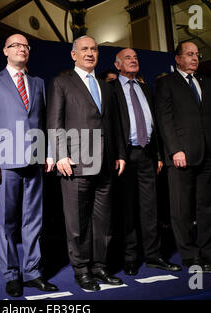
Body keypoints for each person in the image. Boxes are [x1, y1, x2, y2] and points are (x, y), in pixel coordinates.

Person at [47, 35, 126, 291]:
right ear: (74, 54)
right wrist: (60, 154)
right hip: (76, 163)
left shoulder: (106, 86)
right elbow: (54, 122)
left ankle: (100, 267)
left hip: (106, 163)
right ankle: (82, 270)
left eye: (94, 49)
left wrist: (120, 154)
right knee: (77, 223)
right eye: (84, 49)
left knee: (103, 222)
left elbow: (115, 125)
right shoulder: (62, 82)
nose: (90, 53)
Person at [0, 33, 58, 297]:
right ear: (5, 50)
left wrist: (49, 153)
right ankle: (11, 274)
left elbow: (44, 122)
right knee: (8, 222)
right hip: (5, 162)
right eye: (15, 45)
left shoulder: (37, 82)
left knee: (34, 221)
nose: (21, 49)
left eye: (25, 46)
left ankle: (33, 273)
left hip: (35, 160)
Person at [155, 41, 211, 271]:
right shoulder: (166, 83)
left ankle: (208, 253)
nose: (195, 58)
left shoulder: (206, 83)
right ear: (177, 59)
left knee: (208, 207)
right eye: (189, 54)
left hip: (208, 154)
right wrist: (175, 149)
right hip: (181, 156)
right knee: (182, 209)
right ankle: (190, 255)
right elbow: (164, 119)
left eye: (197, 54)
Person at [112, 48, 181, 275]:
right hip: (125, 156)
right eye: (128, 58)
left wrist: (160, 155)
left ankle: (153, 255)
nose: (133, 60)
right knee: (128, 209)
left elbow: (157, 123)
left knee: (150, 208)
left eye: (135, 57)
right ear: (118, 65)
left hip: (148, 154)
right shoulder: (111, 89)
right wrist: (117, 154)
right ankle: (130, 256)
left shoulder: (144, 88)